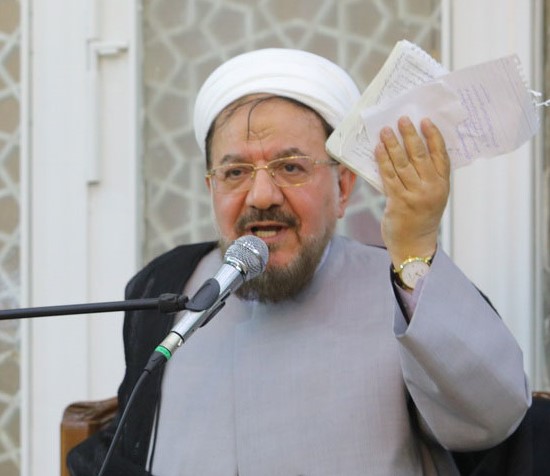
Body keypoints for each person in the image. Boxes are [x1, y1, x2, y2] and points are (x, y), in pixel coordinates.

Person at [67, 48, 530, 476]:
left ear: (342, 188)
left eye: (291, 167)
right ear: (212, 189)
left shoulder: (407, 286)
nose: (262, 195)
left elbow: (490, 421)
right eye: (235, 172)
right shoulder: (166, 287)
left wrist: (416, 246)